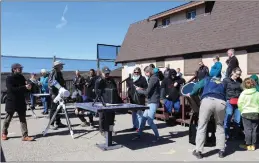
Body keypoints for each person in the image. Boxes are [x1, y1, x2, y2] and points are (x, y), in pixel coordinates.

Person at [187, 76, 227, 159]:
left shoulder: (207, 79)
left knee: (202, 126)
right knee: (220, 125)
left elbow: (196, 87)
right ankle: (221, 150)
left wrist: (191, 94)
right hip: (221, 102)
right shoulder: (222, 83)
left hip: (207, 100)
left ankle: (198, 151)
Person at [2, 63, 34, 141]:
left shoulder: (22, 77)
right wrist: (24, 87)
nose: (21, 70)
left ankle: (25, 136)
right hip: (12, 101)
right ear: (14, 69)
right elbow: (12, 89)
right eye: (19, 69)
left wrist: (29, 87)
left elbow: (24, 88)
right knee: (8, 119)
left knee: (23, 119)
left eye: (21, 68)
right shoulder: (9, 78)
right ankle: (4, 133)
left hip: (20, 101)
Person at [133, 65, 160, 142]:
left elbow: (147, 92)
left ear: (149, 72)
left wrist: (139, 90)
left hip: (153, 102)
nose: (145, 74)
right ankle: (139, 135)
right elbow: (149, 89)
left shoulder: (153, 79)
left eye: (146, 73)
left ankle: (157, 137)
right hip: (150, 102)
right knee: (144, 119)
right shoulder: (152, 78)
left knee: (150, 121)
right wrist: (141, 89)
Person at [97, 67, 122, 135]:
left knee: (111, 117)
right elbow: (97, 92)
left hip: (112, 101)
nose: (107, 74)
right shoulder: (99, 80)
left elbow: (115, 90)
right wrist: (101, 101)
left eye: (108, 73)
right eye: (105, 73)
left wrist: (118, 99)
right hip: (103, 102)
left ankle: (110, 130)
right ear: (102, 73)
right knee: (102, 117)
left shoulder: (111, 80)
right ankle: (102, 130)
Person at [238, 78, 259, 151]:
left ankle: (248, 145)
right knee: (254, 130)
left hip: (246, 113)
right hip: (256, 113)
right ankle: (253, 145)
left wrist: (241, 111)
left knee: (247, 130)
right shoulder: (257, 93)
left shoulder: (243, 93)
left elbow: (240, 104)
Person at [223, 67, 243, 141]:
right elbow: (223, 90)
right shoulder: (226, 80)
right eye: (237, 74)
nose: (238, 76)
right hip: (229, 101)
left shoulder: (240, 81)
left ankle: (235, 135)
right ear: (233, 72)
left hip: (238, 101)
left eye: (239, 74)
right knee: (228, 117)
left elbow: (242, 90)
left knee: (237, 119)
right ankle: (226, 135)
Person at [127, 67, 148, 131]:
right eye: (135, 72)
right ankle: (135, 126)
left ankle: (140, 127)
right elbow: (129, 87)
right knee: (134, 113)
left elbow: (146, 87)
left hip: (140, 98)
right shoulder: (131, 79)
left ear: (140, 72)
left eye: (137, 72)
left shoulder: (142, 79)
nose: (136, 73)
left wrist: (139, 88)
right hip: (132, 98)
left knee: (139, 113)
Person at [48, 61, 67, 130]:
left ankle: (58, 122)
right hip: (54, 93)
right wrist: (53, 92)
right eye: (61, 65)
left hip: (60, 93)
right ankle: (51, 124)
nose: (62, 66)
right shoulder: (53, 72)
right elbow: (50, 82)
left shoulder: (59, 72)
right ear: (57, 66)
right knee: (53, 108)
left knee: (59, 108)